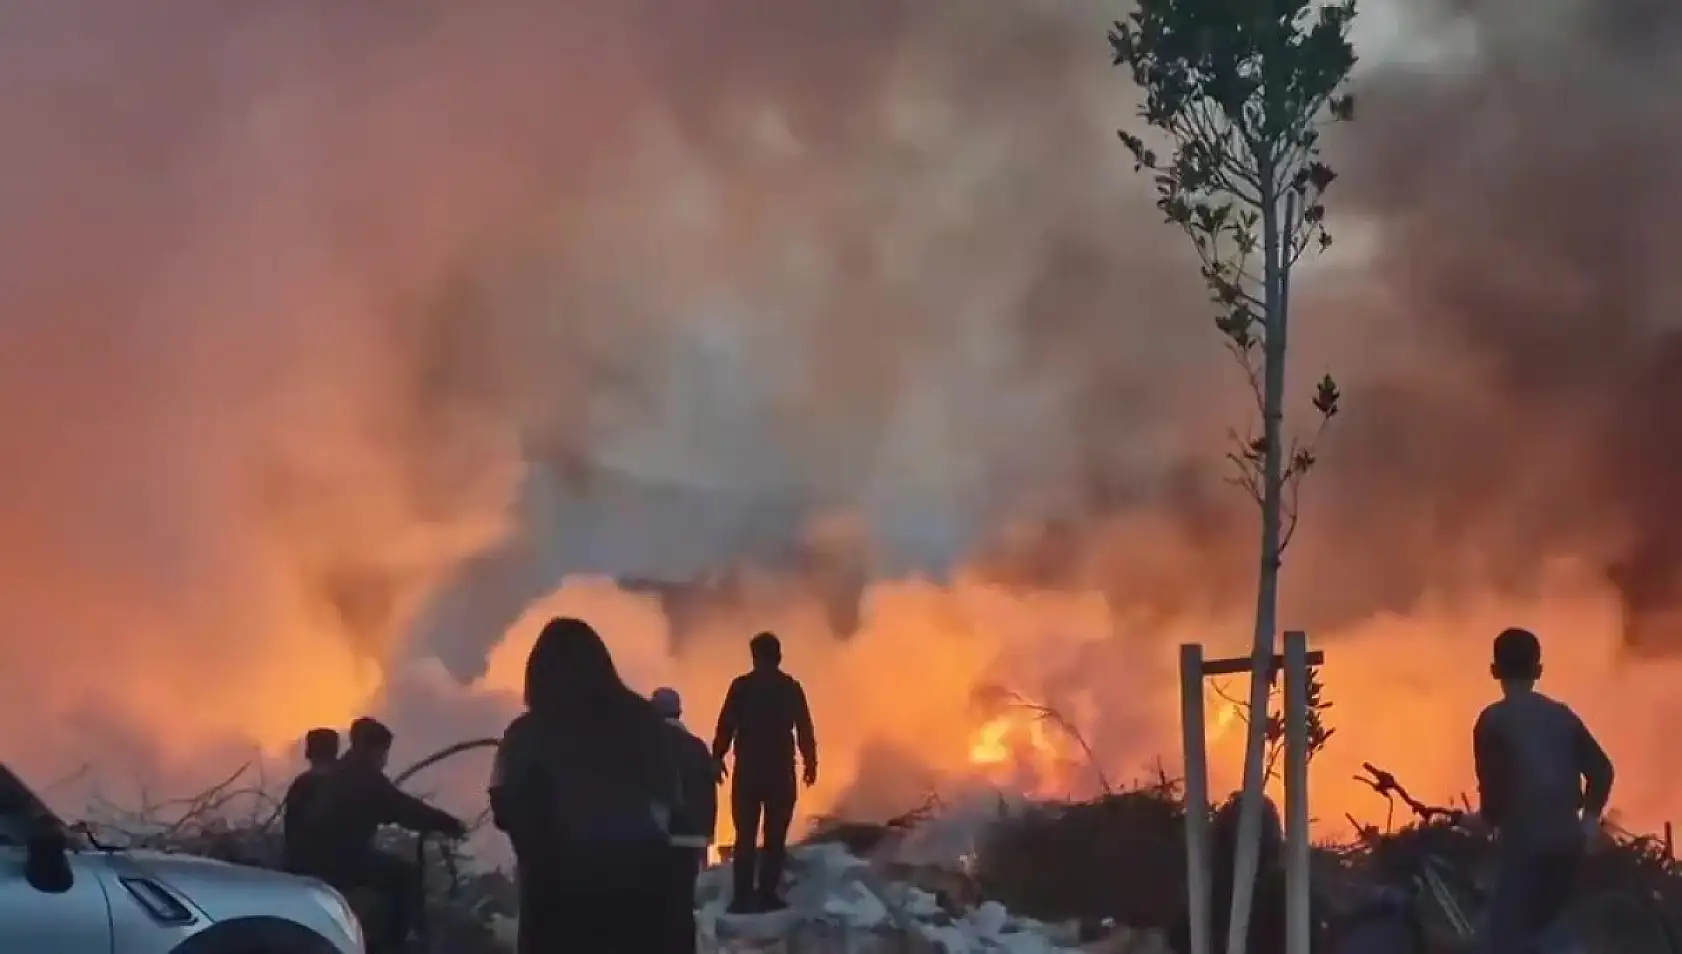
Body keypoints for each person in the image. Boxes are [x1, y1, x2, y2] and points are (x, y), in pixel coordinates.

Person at [489, 617, 679, 954]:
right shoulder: (643, 720)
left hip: (556, 899)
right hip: (643, 892)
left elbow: (503, 806)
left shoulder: (525, 735)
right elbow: (670, 795)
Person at [1473, 627, 1615, 954]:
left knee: (1503, 938)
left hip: (1523, 847)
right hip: (1567, 845)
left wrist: (1479, 822)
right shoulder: (1562, 717)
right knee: (1556, 928)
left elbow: (1496, 793)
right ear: (1538, 670)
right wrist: (1589, 824)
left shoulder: (1493, 721)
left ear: (1494, 671)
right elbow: (1602, 770)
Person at [316, 717, 467, 951]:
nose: (384, 761)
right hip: (344, 859)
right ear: (370, 749)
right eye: (383, 752)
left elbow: (397, 807)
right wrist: (446, 823)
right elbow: (402, 808)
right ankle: (403, 941)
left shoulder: (340, 772)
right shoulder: (363, 777)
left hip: (325, 857)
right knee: (405, 876)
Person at [711, 631, 817, 913]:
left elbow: (726, 725)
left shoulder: (741, 687)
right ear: (778, 656)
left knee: (744, 836)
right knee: (774, 837)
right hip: (780, 773)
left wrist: (717, 757)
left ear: (755, 656)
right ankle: (767, 894)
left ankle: (742, 897)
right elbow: (804, 728)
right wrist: (810, 763)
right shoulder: (789, 687)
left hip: (748, 773)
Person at [652, 687, 719, 954]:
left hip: (658, 839)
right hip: (692, 839)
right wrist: (707, 837)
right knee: (682, 907)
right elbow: (709, 794)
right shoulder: (697, 746)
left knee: (655, 907)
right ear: (679, 711)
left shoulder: (648, 745)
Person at [280, 727, 339, 876]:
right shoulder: (345, 783)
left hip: (301, 866)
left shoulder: (300, 784)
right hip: (332, 867)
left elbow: (291, 832)